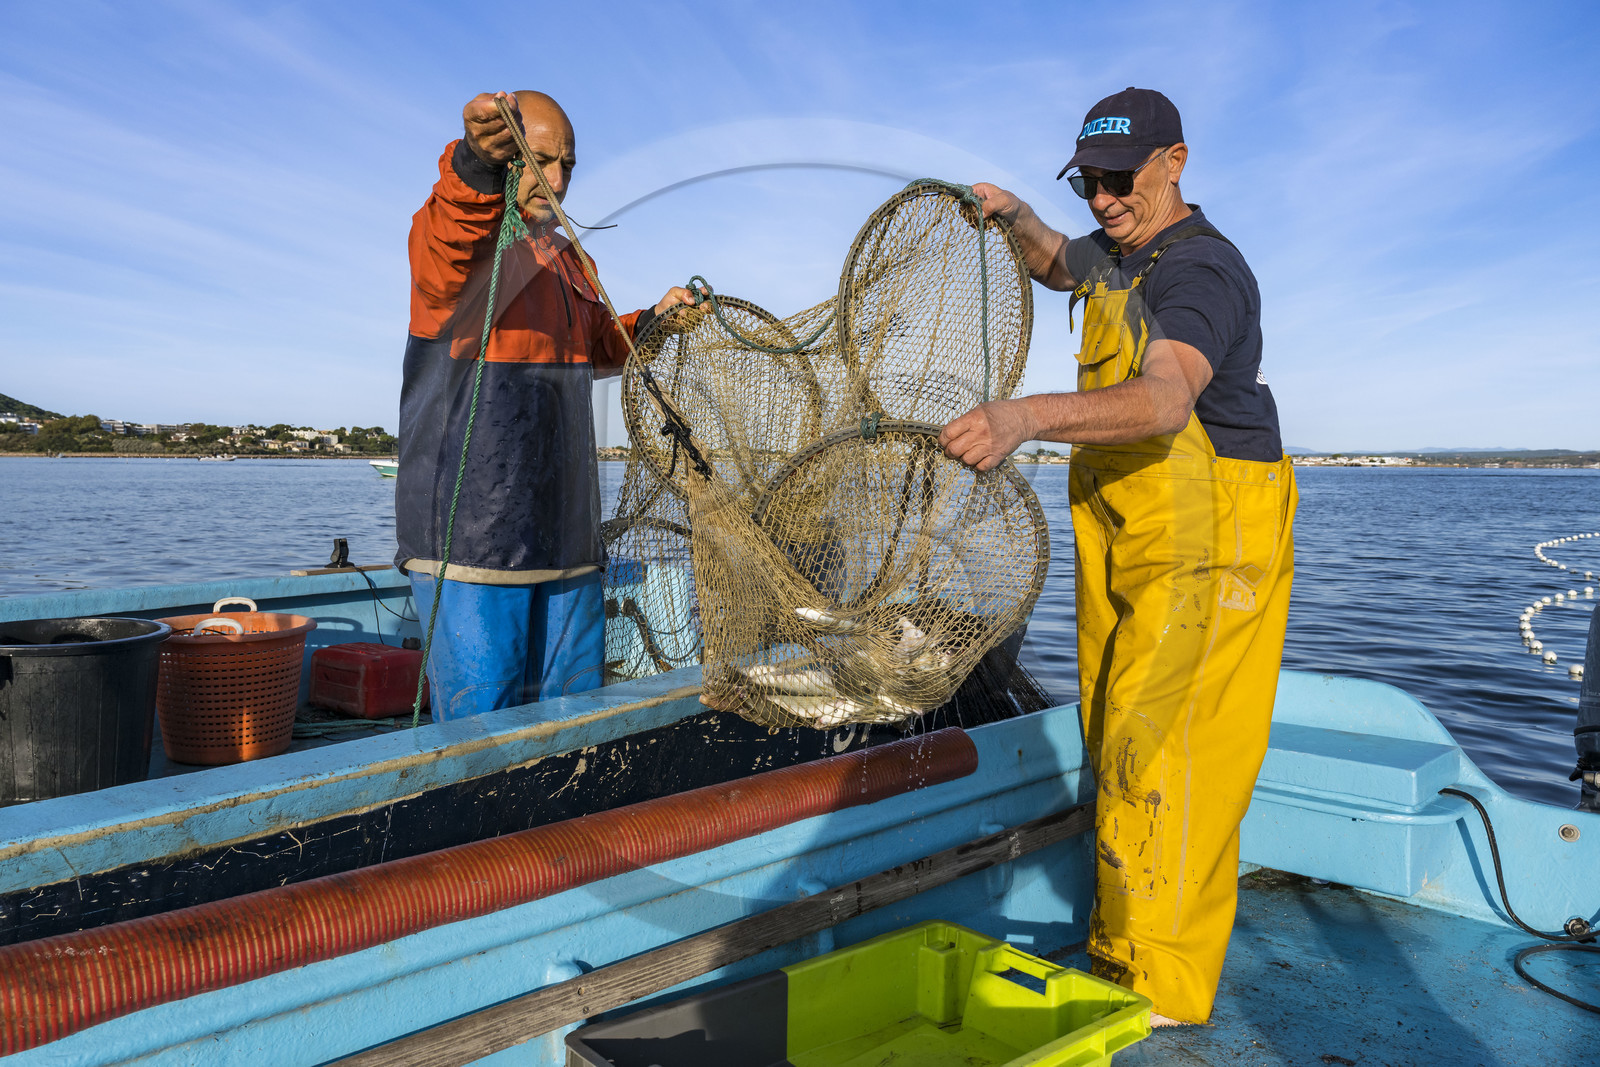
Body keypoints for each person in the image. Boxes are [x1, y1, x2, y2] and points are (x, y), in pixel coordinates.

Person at [939, 87, 1296, 1024]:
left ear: (1175, 163)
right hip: (1131, 530)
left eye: (1119, 179)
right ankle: (1122, 940)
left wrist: (1022, 418)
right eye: (1088, 181)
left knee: (1169, 751)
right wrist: (1018, 214)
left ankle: (1164, 990)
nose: (1101, 200)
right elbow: (1062, 265)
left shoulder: (1201, 273)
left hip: (1213, 535)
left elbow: (1166, 399)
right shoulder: (1116, 249)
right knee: (1115, 727)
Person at [396, 91, 696, 721]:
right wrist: (474, 164)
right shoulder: (460, 241)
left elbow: (598, 346)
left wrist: (655, 322)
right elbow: (450, 244)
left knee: (574, 717)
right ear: (504, 156)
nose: (557, 181)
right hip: (473, 540)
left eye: (568, 165)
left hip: (566, 535)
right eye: (537, 160)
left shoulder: (569, 259)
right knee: (482, 732)